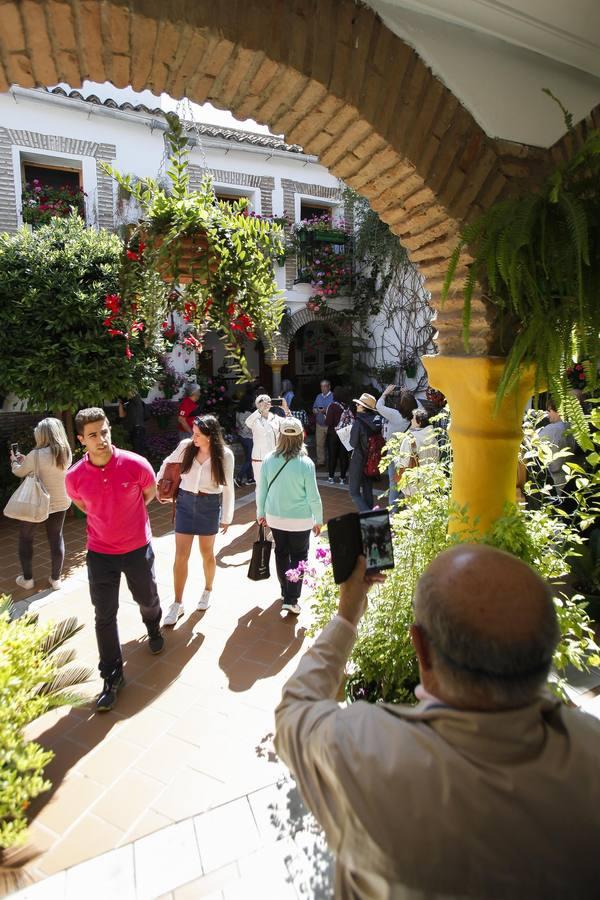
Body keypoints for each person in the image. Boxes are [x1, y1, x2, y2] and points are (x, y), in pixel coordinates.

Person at [275, 544, 600, 899]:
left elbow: (295, 709)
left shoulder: (370, 753)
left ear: (422, 648)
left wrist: (346, 617)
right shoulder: (589, 749)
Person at [65, 407, 164, 713]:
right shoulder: (74, 477)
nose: (101, 439)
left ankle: (153, 625)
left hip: (137, 547)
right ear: (81, 439)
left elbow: (149, 494)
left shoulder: (136, 464)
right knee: (104, 614)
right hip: (100, 553)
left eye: (104, 431)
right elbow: (83, 506)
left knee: (147, 597)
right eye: (93, 434)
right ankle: (112, 675)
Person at [158, 415, 234, 626]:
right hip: (184, 502)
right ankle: (177, 602)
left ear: (210, 436)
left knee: (207, 553)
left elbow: (228, 488)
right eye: (193, 433)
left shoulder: (225, 455)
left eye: (198, 434)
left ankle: (208, 589)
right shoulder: (186, 446)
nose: (194, 437)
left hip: (209, 505)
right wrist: (159, 485)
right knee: (181, 555)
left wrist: (227, 517)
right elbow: (167, 463)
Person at [257, 417, 322, 615]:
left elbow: (262, 490)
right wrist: (318, 519)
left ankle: (286, 591)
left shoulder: (269, 459)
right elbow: (313, 495)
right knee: (299, 556)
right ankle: (291, 598)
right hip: (300, 520)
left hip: (275, 516)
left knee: (281, 553)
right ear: (301, 436)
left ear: (280, 436)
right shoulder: (306, 463)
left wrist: (261, 513)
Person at [10, 417, 72, 591]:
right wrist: (27, 460)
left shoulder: (36, 454)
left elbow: (19, 472)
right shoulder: (65, 451)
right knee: (56, 537)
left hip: (37, 502)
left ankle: (28, 579)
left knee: (26, 537)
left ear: (43, 435)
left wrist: (15, 461)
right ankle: (56, 579)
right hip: (60, 501)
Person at [376, 385, 417, 506]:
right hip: (408, 453)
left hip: (394, 454)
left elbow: (379, 406)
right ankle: (408, 508)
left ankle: (393, 513)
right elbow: (418, 406)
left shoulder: (395, 415)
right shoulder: (415, 416)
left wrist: (385, 393)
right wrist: (408, 395)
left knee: (393, 483)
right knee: (407, 482)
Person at [347, 393, 382, 512]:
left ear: (364, 407)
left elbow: (352, 443)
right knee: (368, 490)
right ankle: (372, 516)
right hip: (372, 459)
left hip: (359, 459)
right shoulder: (377, 421)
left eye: (359, 404)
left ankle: (368, 516)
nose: (356, 405)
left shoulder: (358, 422)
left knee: (354, 492)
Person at [393, 408, 439, 498]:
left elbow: (403, 463)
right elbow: (436, 459)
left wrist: (395, 458)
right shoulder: (434, 439)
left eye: (413, 418)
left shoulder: (410, 439)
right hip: (429, 484)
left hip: (413, 486)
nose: (411, 420)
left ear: (419, 422)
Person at [246, 393, 290, 486]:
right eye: (262, 401)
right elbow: (247, 422)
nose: (265, 403)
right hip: (259, 458)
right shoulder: (254, 419)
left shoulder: (276, 418)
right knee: (260, 487)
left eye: (268, 401)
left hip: (274, 457)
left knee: (275, 485)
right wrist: (259, 411)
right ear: (257, 404)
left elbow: (290, 425)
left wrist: (285, 408)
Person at [538, 397, 576, 491]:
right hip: (568, 480)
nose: (547, 415)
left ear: (559, 410)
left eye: (549, 411)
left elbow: (553, 466)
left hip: (552, 483)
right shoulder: (572, 427)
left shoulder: (552, 429)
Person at [324, 386, 350, 484]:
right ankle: (342, 478)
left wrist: (325, 416)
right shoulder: (347, 406)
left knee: (332, 456)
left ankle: (331, 477)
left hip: (333, 435)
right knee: (344, 456)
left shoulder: (332, 406)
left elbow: (328, 422)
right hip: (345, 434)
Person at [234, 391, 255, 487]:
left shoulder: (238, 412)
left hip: (242, 437)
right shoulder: (249, 414)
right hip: (248, 437)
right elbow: (250, 427)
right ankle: (239, 477)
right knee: (249, 459)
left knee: (248, 457)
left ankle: (250, 478)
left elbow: (237, 425)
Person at [312, 379, 334, 468]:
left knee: (331, 444)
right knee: (319, 444)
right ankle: (321, 462)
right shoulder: (318, 396)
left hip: (330, 425)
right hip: (320, 424)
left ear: (329, 387)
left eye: (325, 386)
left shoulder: (333, 396)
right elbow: (313, 408)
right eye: (322, 386)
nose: (323, 388)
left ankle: (332, 461)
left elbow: (335, 409)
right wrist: (315, 410)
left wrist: (326, 410)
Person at [118, 391, 147, 455]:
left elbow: (131, 391)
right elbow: (121, 415)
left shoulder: (137, 399)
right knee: (131, 452)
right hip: (129, 430)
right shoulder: (126, 404)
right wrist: (120, 403)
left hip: (138, 429)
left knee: (138, 451)